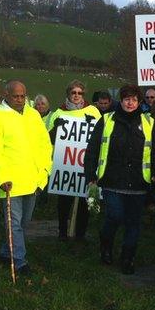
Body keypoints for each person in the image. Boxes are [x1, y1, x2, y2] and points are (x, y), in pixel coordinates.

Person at [84, 84, 155, 274]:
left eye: (134, 100)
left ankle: (128, 258)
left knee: (133, 223)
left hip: (138, 183)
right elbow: (93, 149)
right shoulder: (106, 120)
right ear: (121, 100)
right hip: (112, 180)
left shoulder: (149, 123)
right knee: (115, 216)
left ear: (139, 102)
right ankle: (106, 247)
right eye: (127, 99)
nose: (130, 103)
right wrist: (90, 175)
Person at [0, 80, 53, 275]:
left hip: (33, 179)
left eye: (23, 95)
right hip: (10, 182)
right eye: (16, 96)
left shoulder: (33, 115)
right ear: (6, 95)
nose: (20, 99)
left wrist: (44, 171)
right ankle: (20, 261)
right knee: (14, 223)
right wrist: (1, 177)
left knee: (24, 222)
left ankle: (7, 251)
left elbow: (44, 144)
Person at [48, 80, 101, 241]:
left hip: (86, 163)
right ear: (68, 94)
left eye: (80, 93)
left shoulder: (93, 111)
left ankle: (80, 234)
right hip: (65, 163)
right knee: (64, 201)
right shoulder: (58, 112)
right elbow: (49, 139)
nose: (77, 96)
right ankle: (62, 232)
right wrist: (56, 128)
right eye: (73, 93)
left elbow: (100, 134)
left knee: (84, 202)